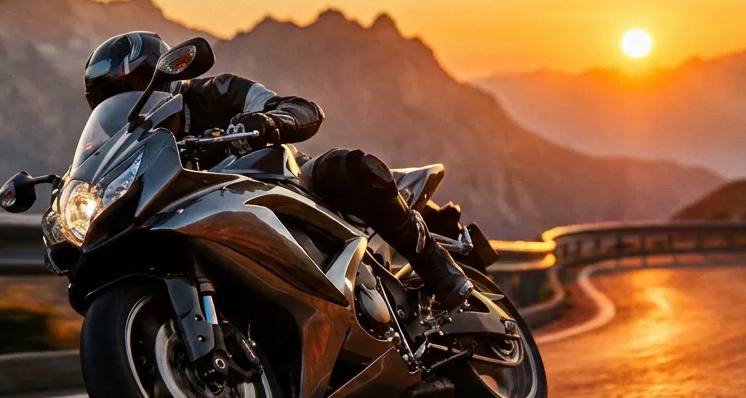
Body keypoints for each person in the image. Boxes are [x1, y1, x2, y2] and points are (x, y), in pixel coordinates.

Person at [83, 31, 473, 309]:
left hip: (283, 182)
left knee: (350, 167)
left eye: (135, 85)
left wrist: (268, 122)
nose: (129, 99)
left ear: (163, 75)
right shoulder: (128, 149)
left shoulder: (213, 93)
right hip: (206, 221)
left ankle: (439, 268)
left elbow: (299, 107)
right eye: (113, 96)